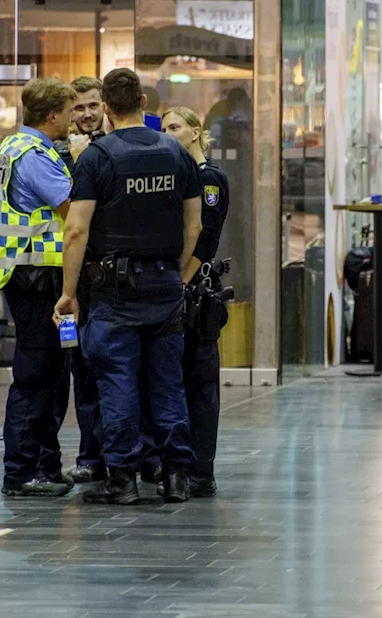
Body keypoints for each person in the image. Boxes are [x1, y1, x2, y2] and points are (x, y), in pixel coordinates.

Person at [54, 68, 202, 504]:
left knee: (117, 381)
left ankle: (122, 480)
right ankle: (177, 475)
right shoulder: (175, 152)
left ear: (106, 108)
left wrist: (69, 292)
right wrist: (175, 267)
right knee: (167, 381)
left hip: (114, 289)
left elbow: (76, 230)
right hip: (165, 284)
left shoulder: (97, 157)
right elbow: (194, 222)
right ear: (142, 100)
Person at [0, 77, 79, 497]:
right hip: (36, 276)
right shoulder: (35, 156)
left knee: (52, 375)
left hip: (30, 273)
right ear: (52, 115)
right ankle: (22, 471)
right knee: (37, 376)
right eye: (70, 111)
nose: (74, 118)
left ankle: (44, 464)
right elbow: (71, 209)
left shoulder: (14, 146)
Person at [162, 105, 230, 496]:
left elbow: (205, 236)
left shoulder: (209, 179)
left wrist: (182, 281)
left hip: (196, 292)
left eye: (176, 126)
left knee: (201, 385)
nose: (169, 133)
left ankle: (201, 470)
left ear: (195, 131)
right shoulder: (175, 177)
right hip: (172, 287)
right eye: (164, 126)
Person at [52, 75, 105, 485]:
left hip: (110, 274)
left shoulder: (115, 148)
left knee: (117, 369)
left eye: (93, 105)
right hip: (72, 278)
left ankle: (124, 454)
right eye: (79, 108)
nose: (86, 114)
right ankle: (89, 456)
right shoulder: (56, 155)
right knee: (81, 370)